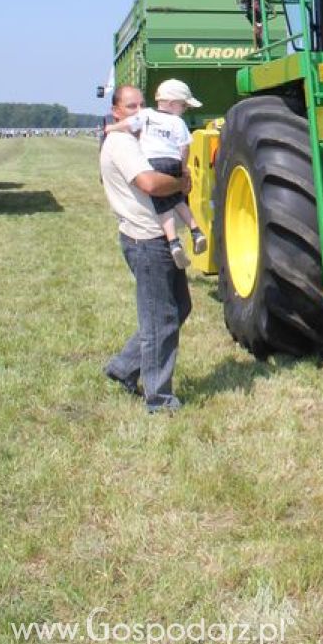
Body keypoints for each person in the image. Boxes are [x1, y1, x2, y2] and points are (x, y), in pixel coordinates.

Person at [100, 84, 192, 413]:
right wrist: (182, 182)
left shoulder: (141, 139)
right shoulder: (122, 143)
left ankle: (124, 367)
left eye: (142, 105)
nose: (138, 111)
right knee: (160, 318)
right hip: (146, 240)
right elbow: (151, 183)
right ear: (116, 112)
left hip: (156, 238)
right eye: (130, 106)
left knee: (179, 307)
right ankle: (160, 399)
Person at [104, 78, 207, 270]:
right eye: (183, 105)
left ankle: (173, 242)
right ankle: (196, 230)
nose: (184, 109)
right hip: (173, 161)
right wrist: (183, 169)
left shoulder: (147, 115)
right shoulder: (177, 122)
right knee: (178, 200)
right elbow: (184, 147)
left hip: (154, 162)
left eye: (141, 104)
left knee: (163, 205)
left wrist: (111, 127)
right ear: (171, 103)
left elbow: (127, 124)